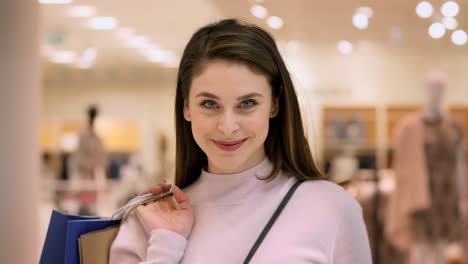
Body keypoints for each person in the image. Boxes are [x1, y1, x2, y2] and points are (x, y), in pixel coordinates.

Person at [109, 19, 371, 263]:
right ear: (186, 107)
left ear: (274, 104)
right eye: (210, 104)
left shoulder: (332, 208)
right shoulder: (149, 222)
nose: (228, 126)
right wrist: (166, 245)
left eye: (247, 103)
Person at [385, 70, 465, 263]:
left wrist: (463, 197)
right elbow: (402, 169)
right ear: (425, 89)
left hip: (446, 196)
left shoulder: (453, 126)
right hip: (419, 197)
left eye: (440, 88)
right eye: (432, 87)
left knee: (441, 248)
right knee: (419, 250)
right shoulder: (408, 127)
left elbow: (460, 163)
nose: (436, 92)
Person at [72, 105, 107, 215]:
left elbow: (100, 159)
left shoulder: (96, 136)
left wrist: (99, 173)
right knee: (83, 207)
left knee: (93, 207)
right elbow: (79, 159)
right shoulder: (83, 136)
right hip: (84, 176)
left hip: (94, 176)